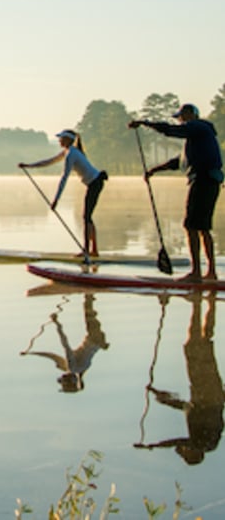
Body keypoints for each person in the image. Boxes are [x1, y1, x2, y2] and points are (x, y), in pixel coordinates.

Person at [129, 104, 224, 282]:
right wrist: (154, 170)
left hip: (204, 181)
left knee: (192, 226)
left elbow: (170, 130)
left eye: (181, 117)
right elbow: (178, 162)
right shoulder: (196, 138)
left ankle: (197, 274)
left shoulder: (198, 127)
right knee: (202, 227)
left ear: (189, 115)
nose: (180, 120)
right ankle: (210, 272)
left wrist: (144, 123)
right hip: (208, 181)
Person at [135, 293, 223, 465]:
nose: (184, 449)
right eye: (185, 453)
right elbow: (177, 441)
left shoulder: (206, 440)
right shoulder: (202, 442)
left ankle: (208, 305)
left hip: (214, 391)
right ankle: (198, 306)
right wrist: (154, 446)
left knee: (204, 342)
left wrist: (157, 394)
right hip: (204, 388)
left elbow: (180, 405)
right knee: (195, 343)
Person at [19, 130, 108, 257]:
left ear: (67, 140)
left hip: (95, 183)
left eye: (61, 138)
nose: (59, 140)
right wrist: (28, 166)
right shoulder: (68, 152)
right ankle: (93, 250)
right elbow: (49, 161)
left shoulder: (71, 153)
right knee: (87, 217)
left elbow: (64, 177)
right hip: (94, 183)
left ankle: (87, 251)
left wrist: (56, 200)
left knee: (86, 217)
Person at [20, 293, 109, 393]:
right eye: (62, 381)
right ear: (69, 380)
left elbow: (52, 356)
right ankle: (90, 290)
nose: (61, 378)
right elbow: (65, 343)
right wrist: (56, 322)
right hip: (94, 338)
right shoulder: (72, 366)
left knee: (89, 311)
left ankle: (90, 292)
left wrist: (31, 353)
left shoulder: (78, 370)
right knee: (88, 310)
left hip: (98, 341)